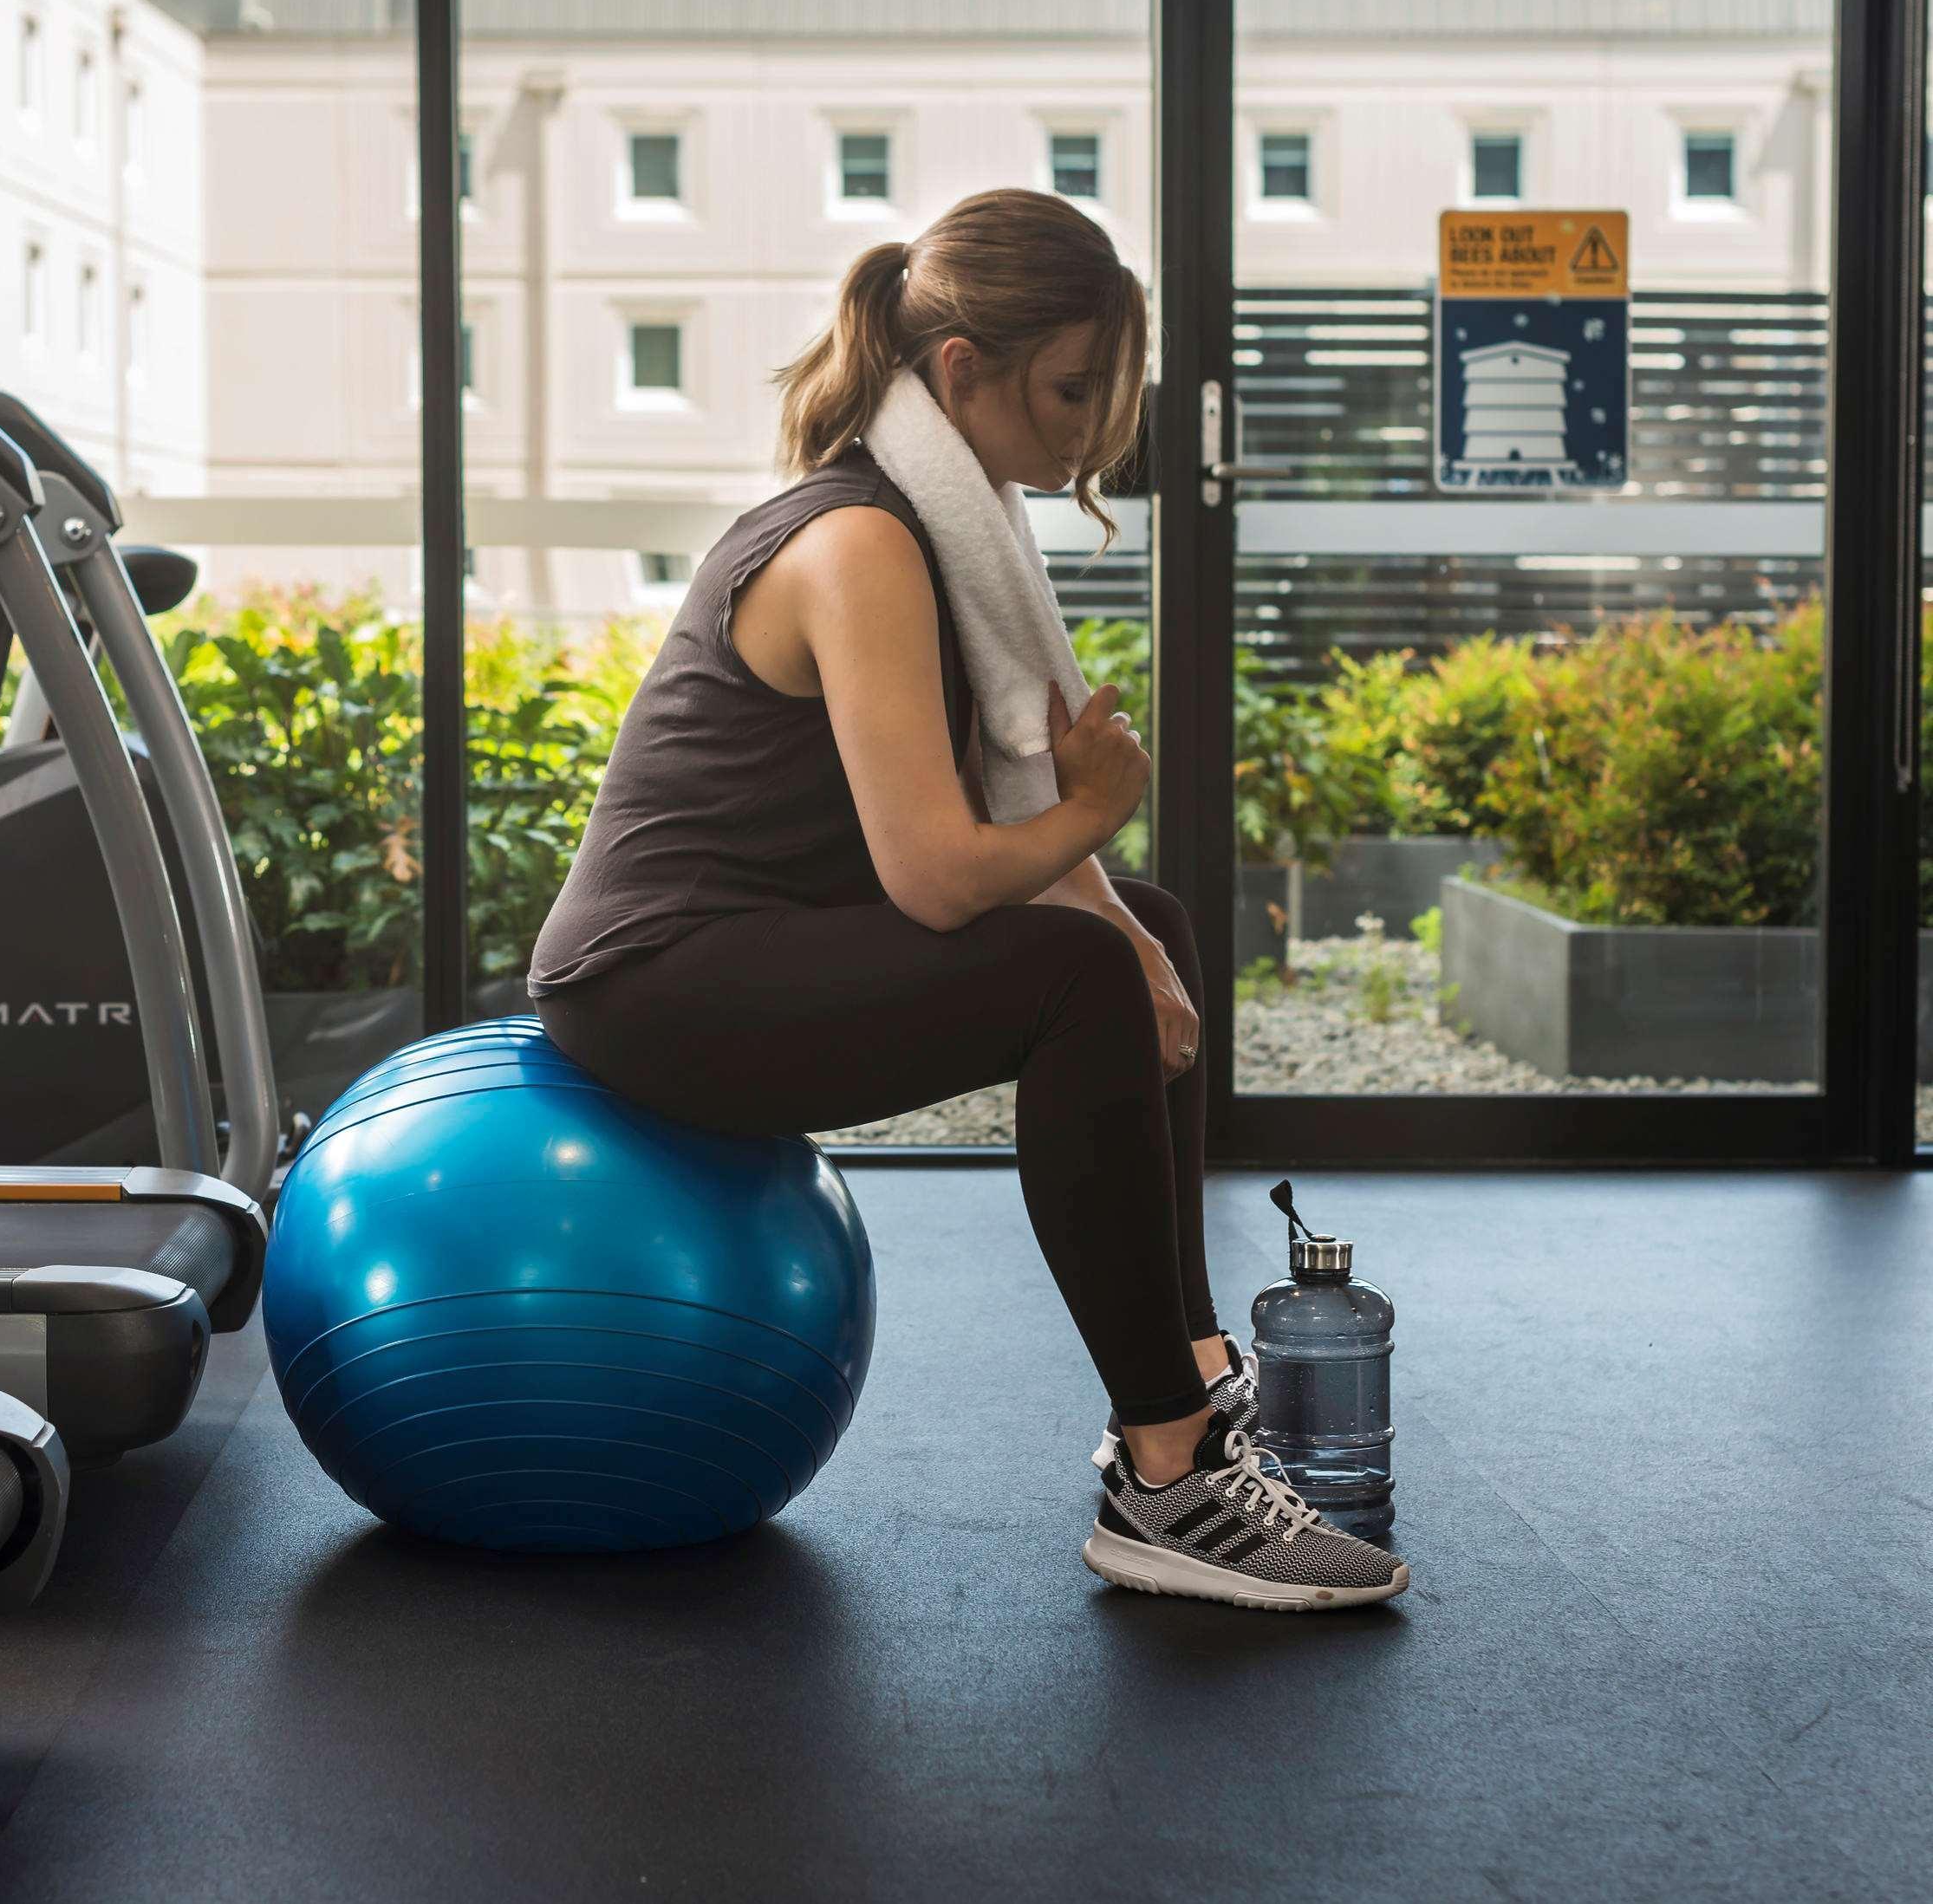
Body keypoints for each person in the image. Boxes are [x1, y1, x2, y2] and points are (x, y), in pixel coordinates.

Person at [529, 188, 1409, 1612]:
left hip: (754, 946)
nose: (1092, 435)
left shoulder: (938, 527)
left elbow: (1014, 827)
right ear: (958, 375)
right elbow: (937, 874)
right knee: (1078, 977)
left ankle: (1187, 1380)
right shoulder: (863, 543)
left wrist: (1121, 913)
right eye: (1071, 391)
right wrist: (1092, 816)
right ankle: (1169, 1477)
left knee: (1152, 928)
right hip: (652, 986)